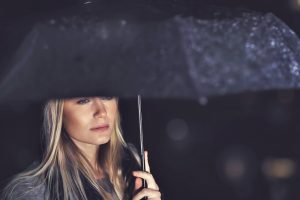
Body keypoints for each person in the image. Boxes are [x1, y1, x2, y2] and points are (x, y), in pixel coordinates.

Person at [1, 96, 161, 200]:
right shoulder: (31, 193)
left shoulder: (131, 167)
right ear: (57, 111)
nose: (101, 112)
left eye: (106, 96)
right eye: (84, 100)